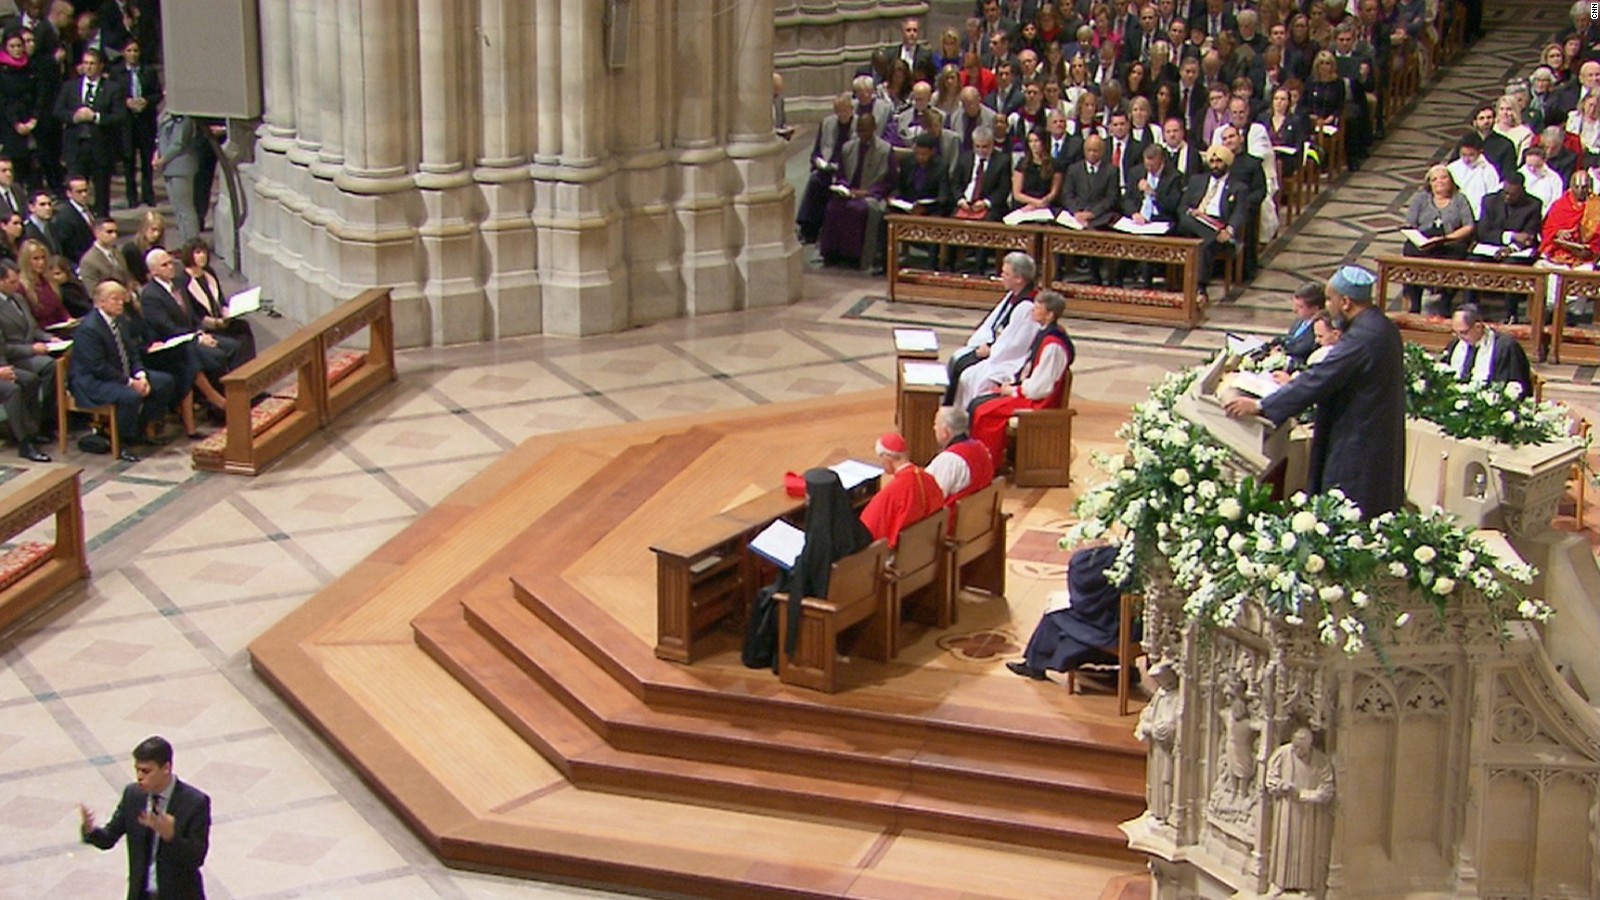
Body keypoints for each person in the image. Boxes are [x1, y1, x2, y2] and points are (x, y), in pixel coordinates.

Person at [1224, 265, 1406, 518]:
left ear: (1346, 302)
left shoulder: (1364, 336)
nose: (1326, 307)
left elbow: (1321, 377)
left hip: (1359, 435)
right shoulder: (1380, 325)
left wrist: (1261, 406)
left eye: (1329, 300)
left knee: (1347, 507)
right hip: (1369, 426)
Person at [740, 468, 873, 671]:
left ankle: (761, 657)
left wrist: (793, 567)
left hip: (823, 600)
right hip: (855, 592)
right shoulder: (852, 526)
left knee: (766, 597)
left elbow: (807, 578)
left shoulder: (821, 538)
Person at [80, 735, 212, 900]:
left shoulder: (194, 802)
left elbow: (196, 858)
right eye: (137, 770)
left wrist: (171, 836)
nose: (139, 777)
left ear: (166, 768)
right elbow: (109, 838)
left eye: (146, 771)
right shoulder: (133, 796)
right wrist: (90, 830)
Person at [67, 279, 174, 462]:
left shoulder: (121, 321)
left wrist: (141, 375)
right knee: (129, 396)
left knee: (165, 382)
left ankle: (140, 429)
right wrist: (131, 383)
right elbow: (98, 367)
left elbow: (132, 352)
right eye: (114, 299)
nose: (120, 303)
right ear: (101, 302)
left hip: (120, 374)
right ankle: (122, 442)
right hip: (93, 381)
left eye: (121, 299)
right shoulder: (89, 329)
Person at [969, 290, 1074, 465]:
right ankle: (982, 458)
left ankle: (987, 464)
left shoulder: (1053, 346)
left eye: (1038, 307)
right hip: (1029, 391)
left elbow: (1041, 388)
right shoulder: (1045, 333)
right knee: (978, 401)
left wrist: (1014, 390)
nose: (1033, 309)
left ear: (1049, 315)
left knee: (984, 412)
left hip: (1039, 401)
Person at [1006, 543, 1130, 681]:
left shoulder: (1100, 567)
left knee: (1054, 617)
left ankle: (1035, 666)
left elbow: (1084, 603)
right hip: (1136, 627)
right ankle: (1128, 668)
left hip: (1112, 629)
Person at [944, 251, 1039, 412]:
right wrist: (983, 343)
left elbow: (1016, 344)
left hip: (1009, 361)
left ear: (1019, 278)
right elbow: (993, 323)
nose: (1001, 276)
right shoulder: (1013, 295)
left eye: (1006, 274)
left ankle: (965, 419)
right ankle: (952, 415)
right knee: (958, 358)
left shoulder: (1027, 306)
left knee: (972, 376)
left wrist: (991, 350)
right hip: (996, 348)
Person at [817, 114, 895, 272]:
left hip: (871, 195)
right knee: (833, 208)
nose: (862, 134)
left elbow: (889, 181)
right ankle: (833, 254)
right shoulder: (848, 148)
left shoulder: (885, 150)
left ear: (873, 129)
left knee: (858, 210)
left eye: (865, 130)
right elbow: (842, 175)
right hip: (850, 192)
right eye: (859, 130)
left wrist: (868, 192)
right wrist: (845, 187)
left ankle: (856, 257)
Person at [1265, 726, 1335, 894]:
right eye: (1295, 746)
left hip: (1309, 814)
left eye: (1301, 749)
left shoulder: (1320, 760)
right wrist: (1281, 785)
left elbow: (1327, 790)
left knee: (1306, 848)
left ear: (1310, 746)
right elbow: (1270, 779)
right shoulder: (1282, 754)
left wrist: (1304, 795)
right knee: (1283, 845)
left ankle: (1306, 885)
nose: (1297, 751)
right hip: (1286, 809)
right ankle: (1278, 883)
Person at [1177, 144, 1250, 305]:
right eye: (1212, 161)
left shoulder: (1239, 187)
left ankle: (1200, 288)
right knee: (1187, 221)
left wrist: (1229, 230)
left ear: (1227, 163)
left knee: (1204, 245)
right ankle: (1213, 237)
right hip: (1194, 223)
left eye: (1219, 161)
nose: (1215, 165)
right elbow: (1182, 207)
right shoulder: (1197, 181)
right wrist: (1195, 213)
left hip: (1219, 225)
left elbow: (1239, 213)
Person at [1400, 164, 1475, 315]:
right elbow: (1410, 225)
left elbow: (1469, 226)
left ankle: (1444, 301)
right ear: (1429, 184)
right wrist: (1421, 239)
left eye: (1443, 177)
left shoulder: (1460, 199)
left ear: (1451, 180)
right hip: (1423, 243)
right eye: (1434, 179)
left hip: (1450, 242)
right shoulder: (1420, 199)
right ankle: (1414, 303)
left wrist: (1448, 238)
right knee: (1410, 252)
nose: (1439, 181)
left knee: (1457, 254)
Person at [55, 48, 121, 218]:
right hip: (76, 148)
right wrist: (74, 117)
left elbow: (119, 116)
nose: (88, 67)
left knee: (101, 192)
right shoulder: (70, 86)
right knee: (76, 187)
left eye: (92, 63)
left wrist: (96, 117)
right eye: (85, 63)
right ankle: (78, 222)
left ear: (101, 66)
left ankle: (102, 223)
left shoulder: (112, 88)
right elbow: (58, 111)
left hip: (100, 147)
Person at [858, 431, 944, 547]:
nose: (881, 462)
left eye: (880, 458)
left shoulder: (892, 492)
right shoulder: (928, 478)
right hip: (926, 548)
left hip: (899, 558)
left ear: (887, 458)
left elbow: (868, 529)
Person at [1541, 169, 1600, 326]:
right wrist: (1559, 233)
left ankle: (1572, 318)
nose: (1581, 190)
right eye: (1577, 186)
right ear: (1571, 187)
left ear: (1591, 187)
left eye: (1585, 186)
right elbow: (1548, 230)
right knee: (1553, 280)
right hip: (1559, 254)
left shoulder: (1597, 206)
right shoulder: (1561, 205)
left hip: (1584, 257)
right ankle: (1552, 314)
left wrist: (1587, 248)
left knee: (1584, 276)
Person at [1441, 305, 1532, 396]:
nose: (1459, 337)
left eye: (1463, 333)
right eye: (1455, 333)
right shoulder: (1455, 345)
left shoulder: (1505, 347)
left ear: (1478, 327)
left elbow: (1512, 386)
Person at [926, 406, 995, 506]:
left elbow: (930, 497)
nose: (934, 428)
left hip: (953, 519)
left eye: (936, 424)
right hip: (978, 514)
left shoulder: (949, 460)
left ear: (946, 432)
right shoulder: (981, 448)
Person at [155, 109, 203, 246]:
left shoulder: (185, 118)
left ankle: (192, 244)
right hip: (168, 167)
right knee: (177, 209)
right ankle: (185, 243)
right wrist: (157, 154)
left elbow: (178, 143)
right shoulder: (167, 112)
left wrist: (162, 159)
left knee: (185, 209)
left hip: (181, 166)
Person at [1275, 282, 1326, 366]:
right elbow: (1289, 340)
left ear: (1315, 309)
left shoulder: (1320, 330)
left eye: (1300, 307)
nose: (1294, 309)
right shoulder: (1300, 319)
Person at [79, 216, 132, 288]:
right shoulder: (88, 260)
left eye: (115, 232)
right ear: (97, 233)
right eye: (109, 232)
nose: (114, 235)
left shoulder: (117, 253)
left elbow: (127, 277)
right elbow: (93, 291)